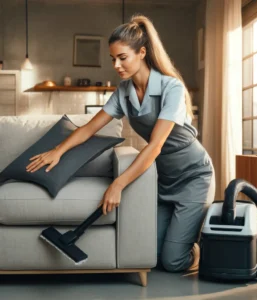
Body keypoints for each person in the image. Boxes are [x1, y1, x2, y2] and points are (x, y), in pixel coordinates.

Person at [26, 14, 215, 273]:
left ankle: (203, 248)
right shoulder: (123, 92)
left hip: (194, 175)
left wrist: (118, 184)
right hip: (165, 178)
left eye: (122, 57)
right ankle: (182, 236)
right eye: (113, 58)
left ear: (142, 53)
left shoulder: (171, 88)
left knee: (172, 261)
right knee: (152, 254)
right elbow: (89, 128)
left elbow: (155, 145)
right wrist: (57, 151)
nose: (116, 65)